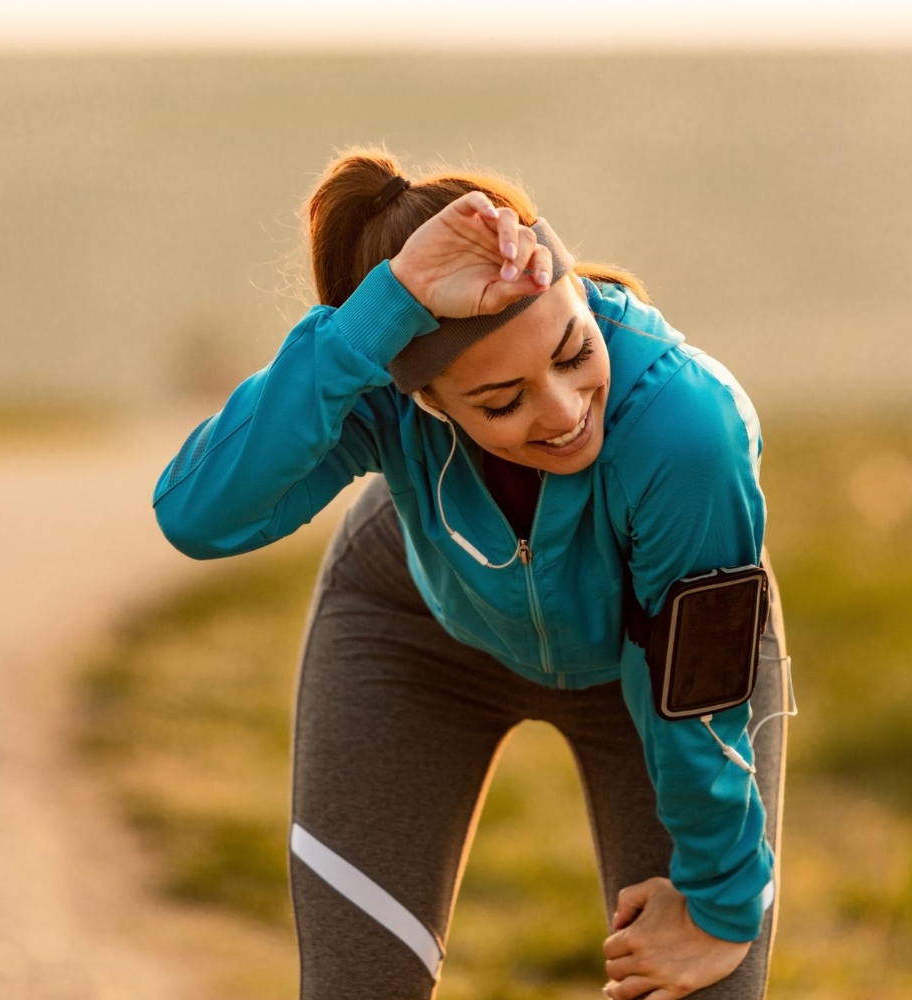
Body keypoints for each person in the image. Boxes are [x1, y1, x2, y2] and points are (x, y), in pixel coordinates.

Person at [150, 145, 796, 999]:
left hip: (660, 667)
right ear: (422, 400)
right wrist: (365, 329)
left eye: (574, 351)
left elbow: (695, 693)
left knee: (704, 977)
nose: (565, 412)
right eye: (501, 402)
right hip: (414, 631)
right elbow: (197, 512)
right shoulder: (382, 397)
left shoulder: (685, 428)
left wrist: (719, 902)